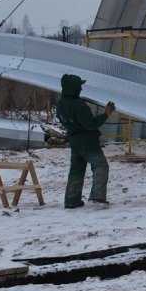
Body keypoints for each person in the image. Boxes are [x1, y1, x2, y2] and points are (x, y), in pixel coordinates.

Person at [55, 73, 116, 209]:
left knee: (76, 170)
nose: (81, 89)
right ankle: (97, 198)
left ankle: (72, 200)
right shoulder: (79, 105)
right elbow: (90, 124)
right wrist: (106, 114)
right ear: (73, 88)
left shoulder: (61, 104)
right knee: (100, 166)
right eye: (79, 87)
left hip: (74, 141)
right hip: (88, 142)